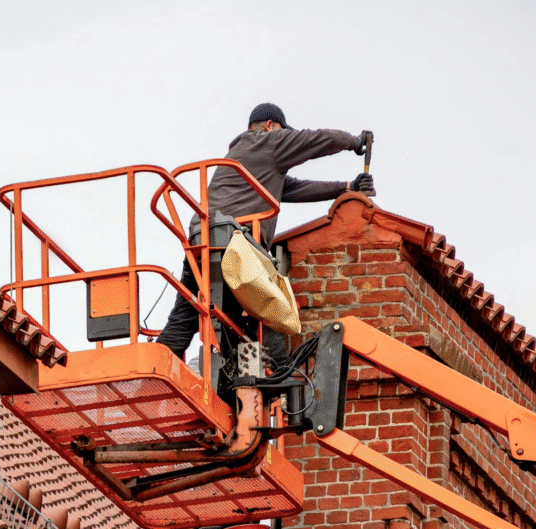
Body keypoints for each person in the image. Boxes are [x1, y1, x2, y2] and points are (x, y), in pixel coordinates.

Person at [156, 102, 375, 369]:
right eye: (283, 133)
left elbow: (294, 189)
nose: (285, 139)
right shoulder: (266, 141)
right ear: (270, 126)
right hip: (235, 242)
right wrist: (353, 141)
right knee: (272, 306)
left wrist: (347, 186)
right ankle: (281, 374)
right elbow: (314, 140)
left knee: (188, 312)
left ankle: (157, 367)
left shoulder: (243, 156)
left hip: (200, 240)